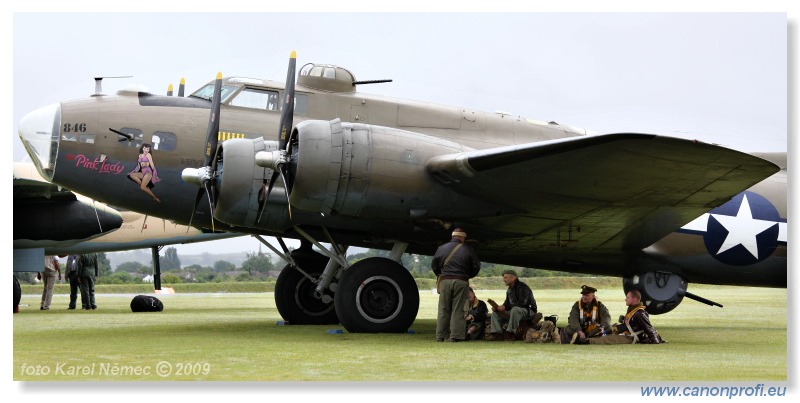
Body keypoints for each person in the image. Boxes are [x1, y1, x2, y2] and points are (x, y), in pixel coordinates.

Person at [431, 228, 481, 342]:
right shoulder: (468, 249)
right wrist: (468, 275)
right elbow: (476, 266)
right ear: (462, 237)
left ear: (453, 236)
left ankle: (440, 336)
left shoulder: (441, 248)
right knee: (458, 309)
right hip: (461, 281)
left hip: (445, 281)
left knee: (443, 309)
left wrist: (441, 274)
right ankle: (455, 336)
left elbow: (434, 265)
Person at [588, 290, 664, 345]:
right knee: (606, 330)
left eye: (628, 297)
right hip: (626, 334)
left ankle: (586, 341)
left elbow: (648, 328)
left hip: (630, 337)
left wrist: (655, 341)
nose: (625, 299)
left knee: (608, 339)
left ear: (634, 299)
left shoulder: (640, 313)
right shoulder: (633, 310)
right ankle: (586, 337)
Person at [489, 269, 537, 341]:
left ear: (513, 278)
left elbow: (522, 303)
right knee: (495, 313)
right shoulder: (509, 289)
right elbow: (507, 303)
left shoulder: (523, 287)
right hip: (515, 311)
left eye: (506, 278)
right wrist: (499, 307)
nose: (504, 280)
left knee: (515, 309)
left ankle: (510, 333)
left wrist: (505, 307)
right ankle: (498, 334)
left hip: (528, 311)